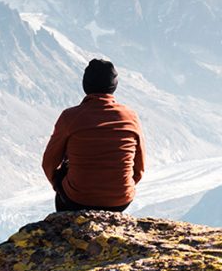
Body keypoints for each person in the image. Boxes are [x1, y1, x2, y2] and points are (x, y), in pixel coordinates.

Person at [42, 58, 145, 212]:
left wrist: (58, 184)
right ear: (114, 86)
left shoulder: (70, 117)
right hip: (120, 201)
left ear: (86, 85)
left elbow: (49, 163)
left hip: (77, 200)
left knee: (65, 169)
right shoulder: (130, 117)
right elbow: (139, 166)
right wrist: (121, 188)